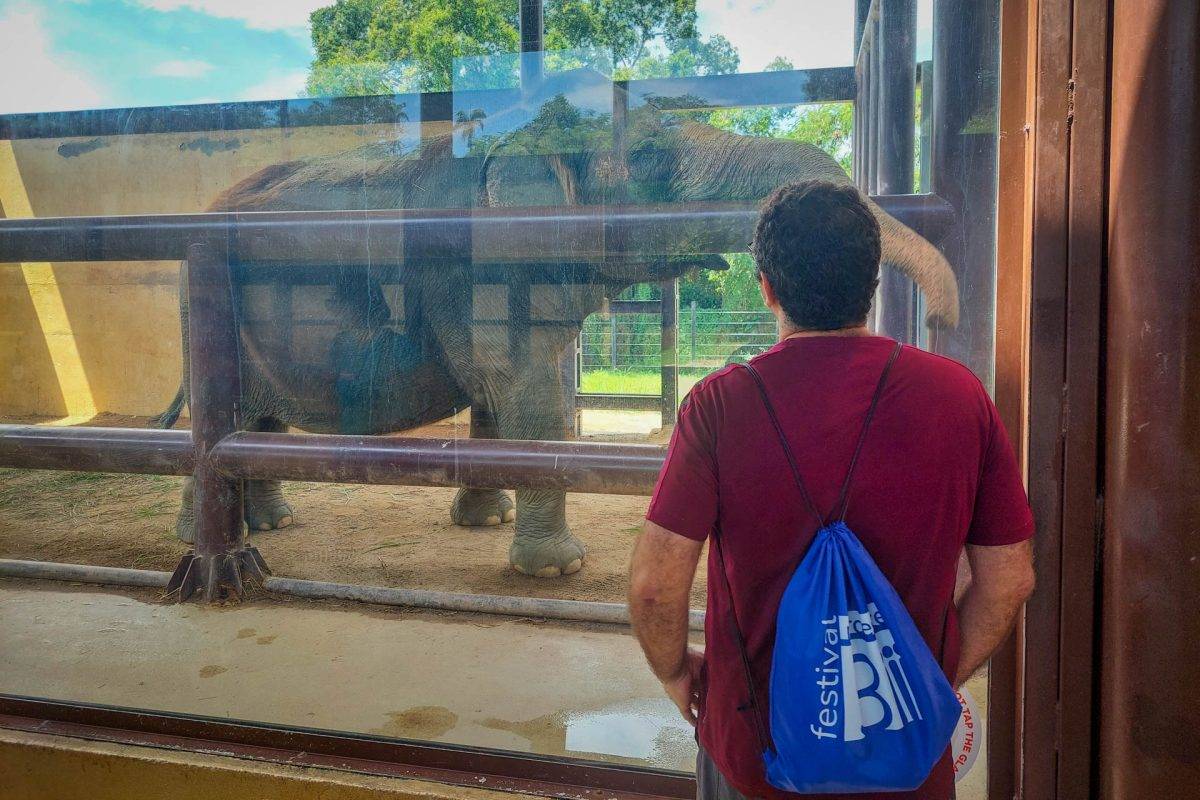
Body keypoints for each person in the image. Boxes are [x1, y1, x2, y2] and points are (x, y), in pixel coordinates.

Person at [628, 180, 1035, 800]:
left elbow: (655, 588)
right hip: (905, 751)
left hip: (757, 749)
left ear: (766, 287)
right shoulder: (959, 396)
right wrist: (925, 682)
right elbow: (1010, 579)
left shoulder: (720, 406)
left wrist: (677, 674)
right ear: (874, 282)